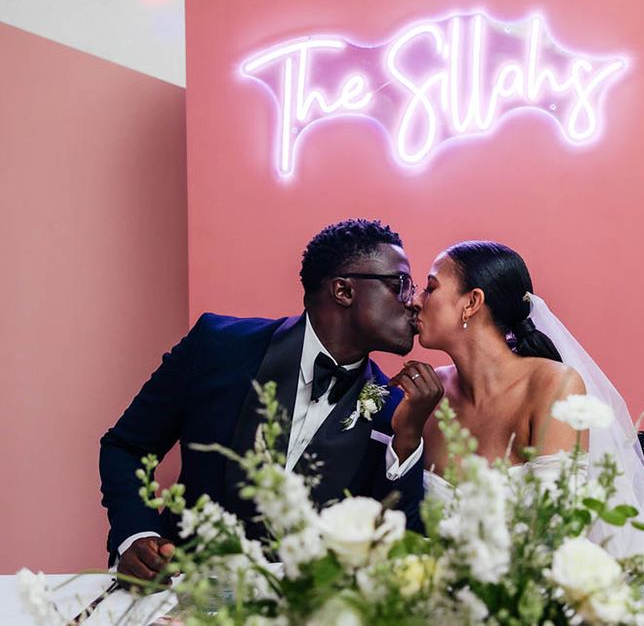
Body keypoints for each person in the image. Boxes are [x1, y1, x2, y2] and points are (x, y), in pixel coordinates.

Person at [100, 219, 442, 582]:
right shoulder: (217, 346)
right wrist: (137, 535)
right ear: (344, 290)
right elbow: (126, 446)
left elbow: (400, 543)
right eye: (401, 285)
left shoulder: (393, 409)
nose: (414, 304)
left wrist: (407, 438)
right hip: (183, 594)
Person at [396, 240, 644, 556]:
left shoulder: (553, 386)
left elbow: (556, 534)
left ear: (471, 302)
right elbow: (404, 518)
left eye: (430, 288)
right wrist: (407, 434)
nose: (415, 300)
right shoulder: (430, 393)